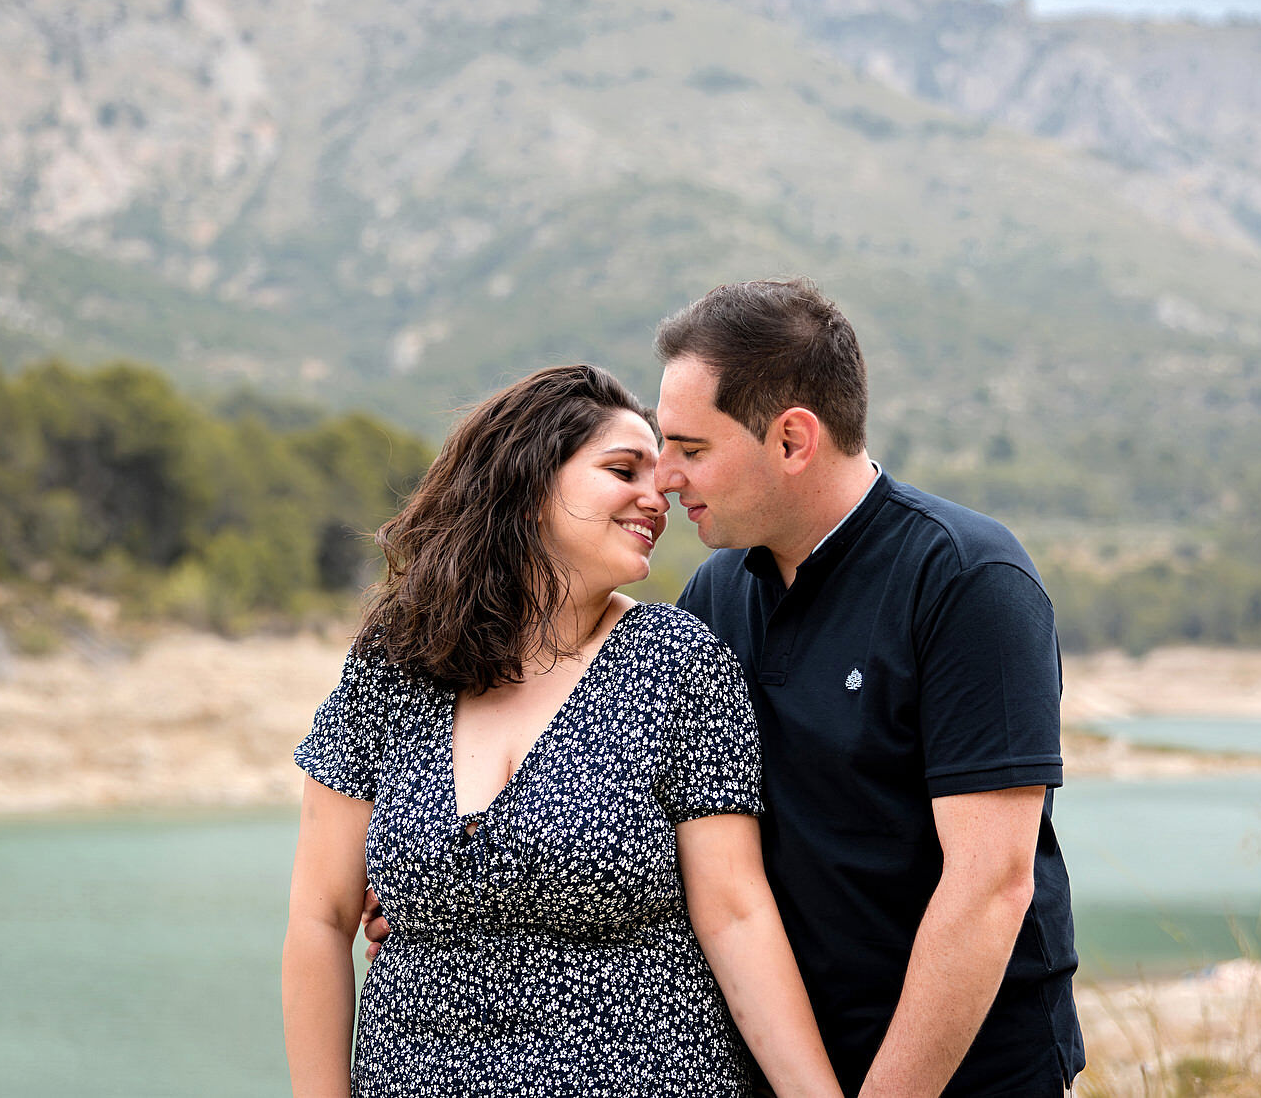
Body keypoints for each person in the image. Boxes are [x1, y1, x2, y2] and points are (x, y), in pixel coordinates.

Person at [281, 364, 843, 1098]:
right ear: (528, 484)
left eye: (662, 472)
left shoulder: (679, 663)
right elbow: (321, 917)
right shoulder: (397, 660)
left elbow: (737, 917)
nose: (660, 495)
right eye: (623, 469)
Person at [651, 279, 1085, 1096]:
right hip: (781, 1072)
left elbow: (991, 886)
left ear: (792, 440)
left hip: (972, 1078)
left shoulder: (966, 577)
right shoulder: (711, 598)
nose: (665, 475)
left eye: (692, 448)